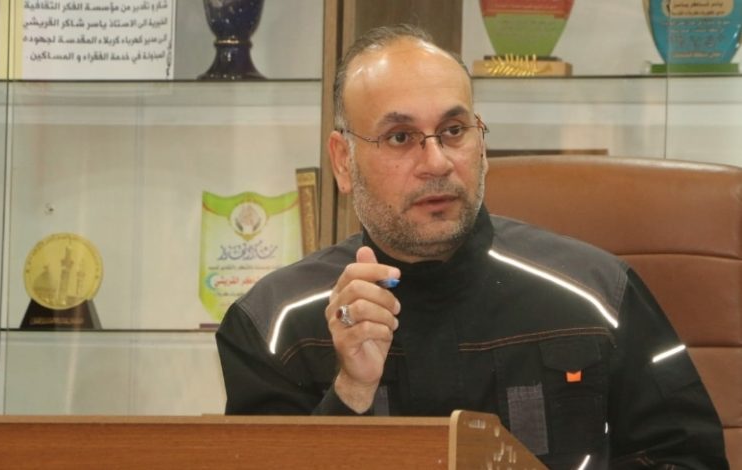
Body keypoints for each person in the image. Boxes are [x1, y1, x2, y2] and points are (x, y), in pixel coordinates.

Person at [216, 24, 728, 469]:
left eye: (453, 130)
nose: (437, 162)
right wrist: (350, 391)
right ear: (343, 161)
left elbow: (687, 458)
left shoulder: (599, 294)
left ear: (481, 145)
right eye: (400, 137)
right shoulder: (273, 324)